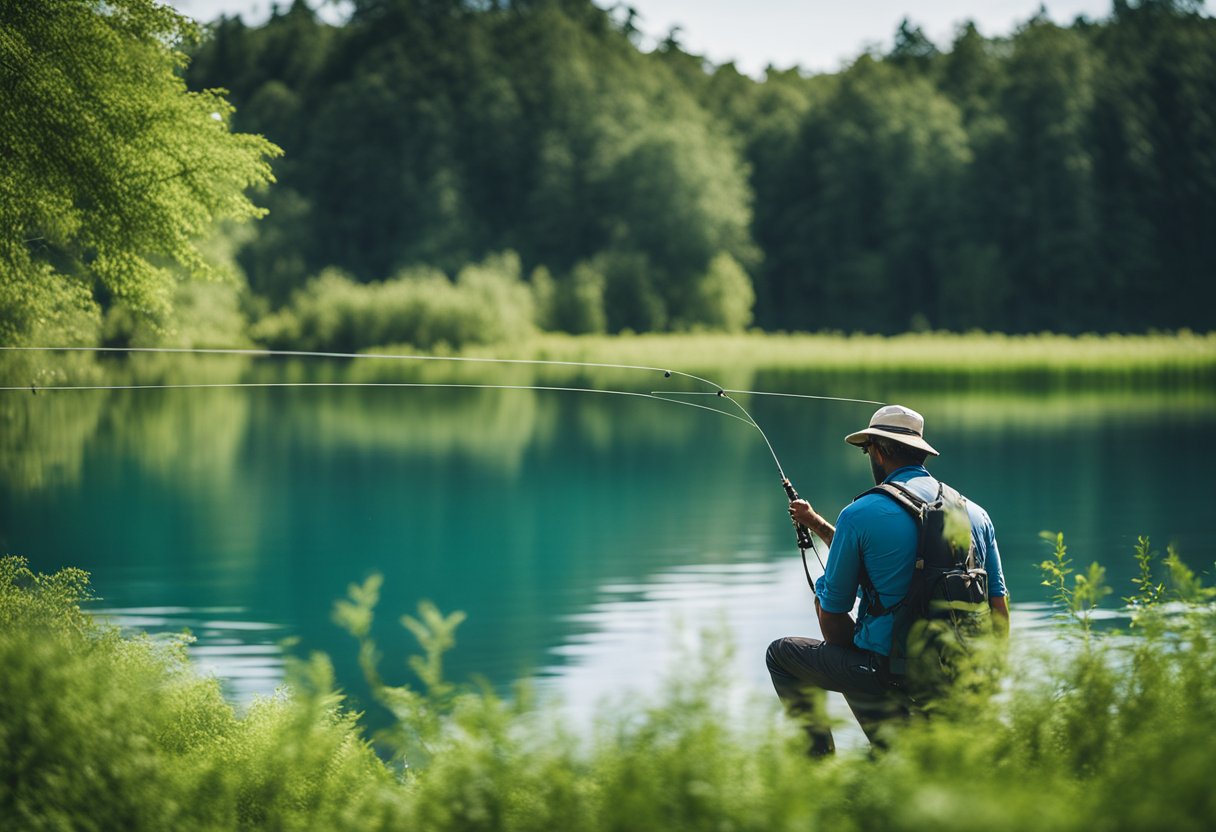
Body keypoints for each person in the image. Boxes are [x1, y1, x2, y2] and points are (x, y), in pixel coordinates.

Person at [766, 404, 1009, 755]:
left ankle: (820, 769)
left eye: (867, 450)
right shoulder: (975, 513)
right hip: (961, 671)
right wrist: (816, 523)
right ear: (919, 452)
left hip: (889, 673)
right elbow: (998, 607)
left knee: (781, 656)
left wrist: (865, 672)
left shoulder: (860, 514)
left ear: (878, 450)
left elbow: (832, 617)